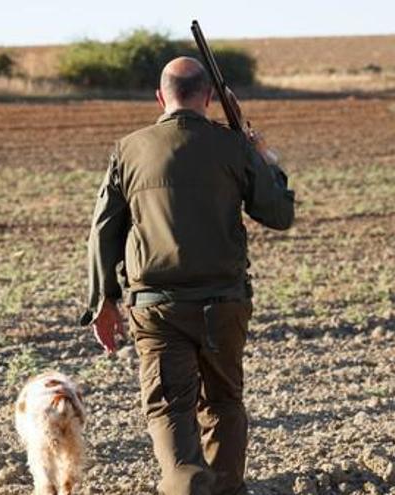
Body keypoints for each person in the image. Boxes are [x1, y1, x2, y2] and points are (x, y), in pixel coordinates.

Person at [81, 56, 295, 495]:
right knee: (223, 405)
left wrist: (102, 300)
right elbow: (279, 212)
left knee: (170, 410)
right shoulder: (232, 147)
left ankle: (188, 488)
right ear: (209, 98)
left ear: (160, 97)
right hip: (225, 305)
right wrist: (259, 153)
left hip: (157, 308)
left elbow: (104, 229)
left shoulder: (129, 149)